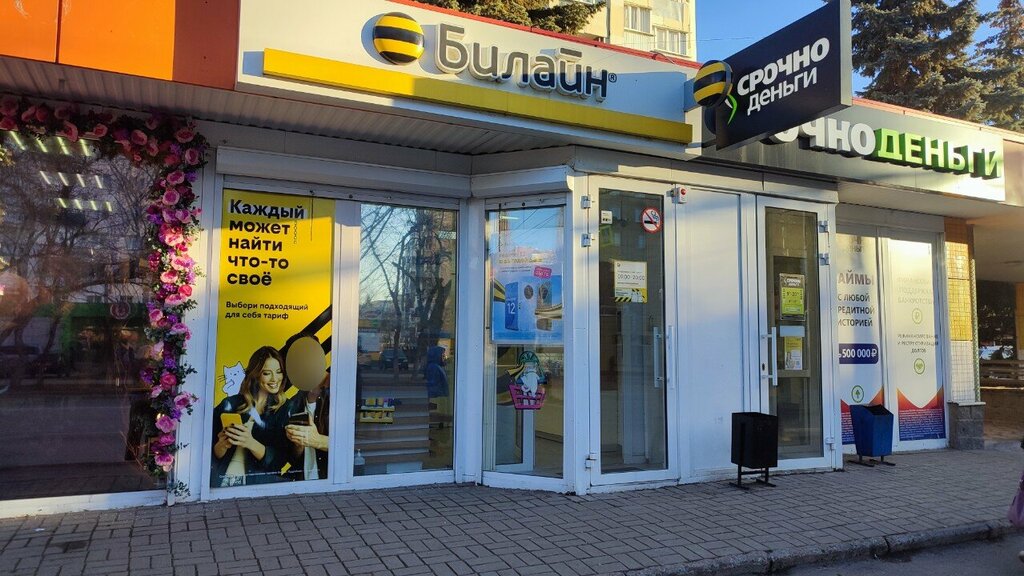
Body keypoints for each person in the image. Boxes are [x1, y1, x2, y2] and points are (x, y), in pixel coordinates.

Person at [211, 346, 292, 487]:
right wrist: (222, 445)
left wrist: (250, 443)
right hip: (220, 483)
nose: (275, 379)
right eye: (267, 373)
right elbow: (209, 453)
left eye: (279, 372)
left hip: (257, 487)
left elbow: (279, 462)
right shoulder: (230, 404)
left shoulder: (286, 409)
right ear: (256, 374)